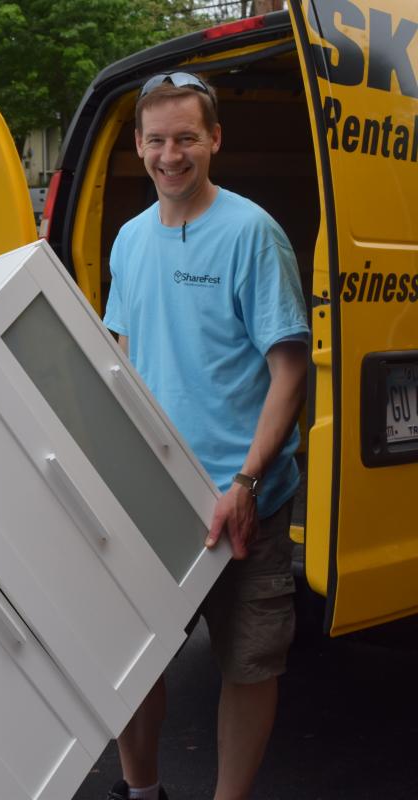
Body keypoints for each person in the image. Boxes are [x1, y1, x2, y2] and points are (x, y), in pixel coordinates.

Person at [101, 73, 310, 800]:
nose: (171, 154)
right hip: (158, 495)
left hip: (246, 497)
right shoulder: (128, 242)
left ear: (214, 138)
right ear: (138, 146)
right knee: (135, 660)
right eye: (156, 140)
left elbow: (289, 371)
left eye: (186, 137)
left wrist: (247, 484)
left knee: (249, 665)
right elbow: (121, 360)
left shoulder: (251, 233)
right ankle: (141, 790)